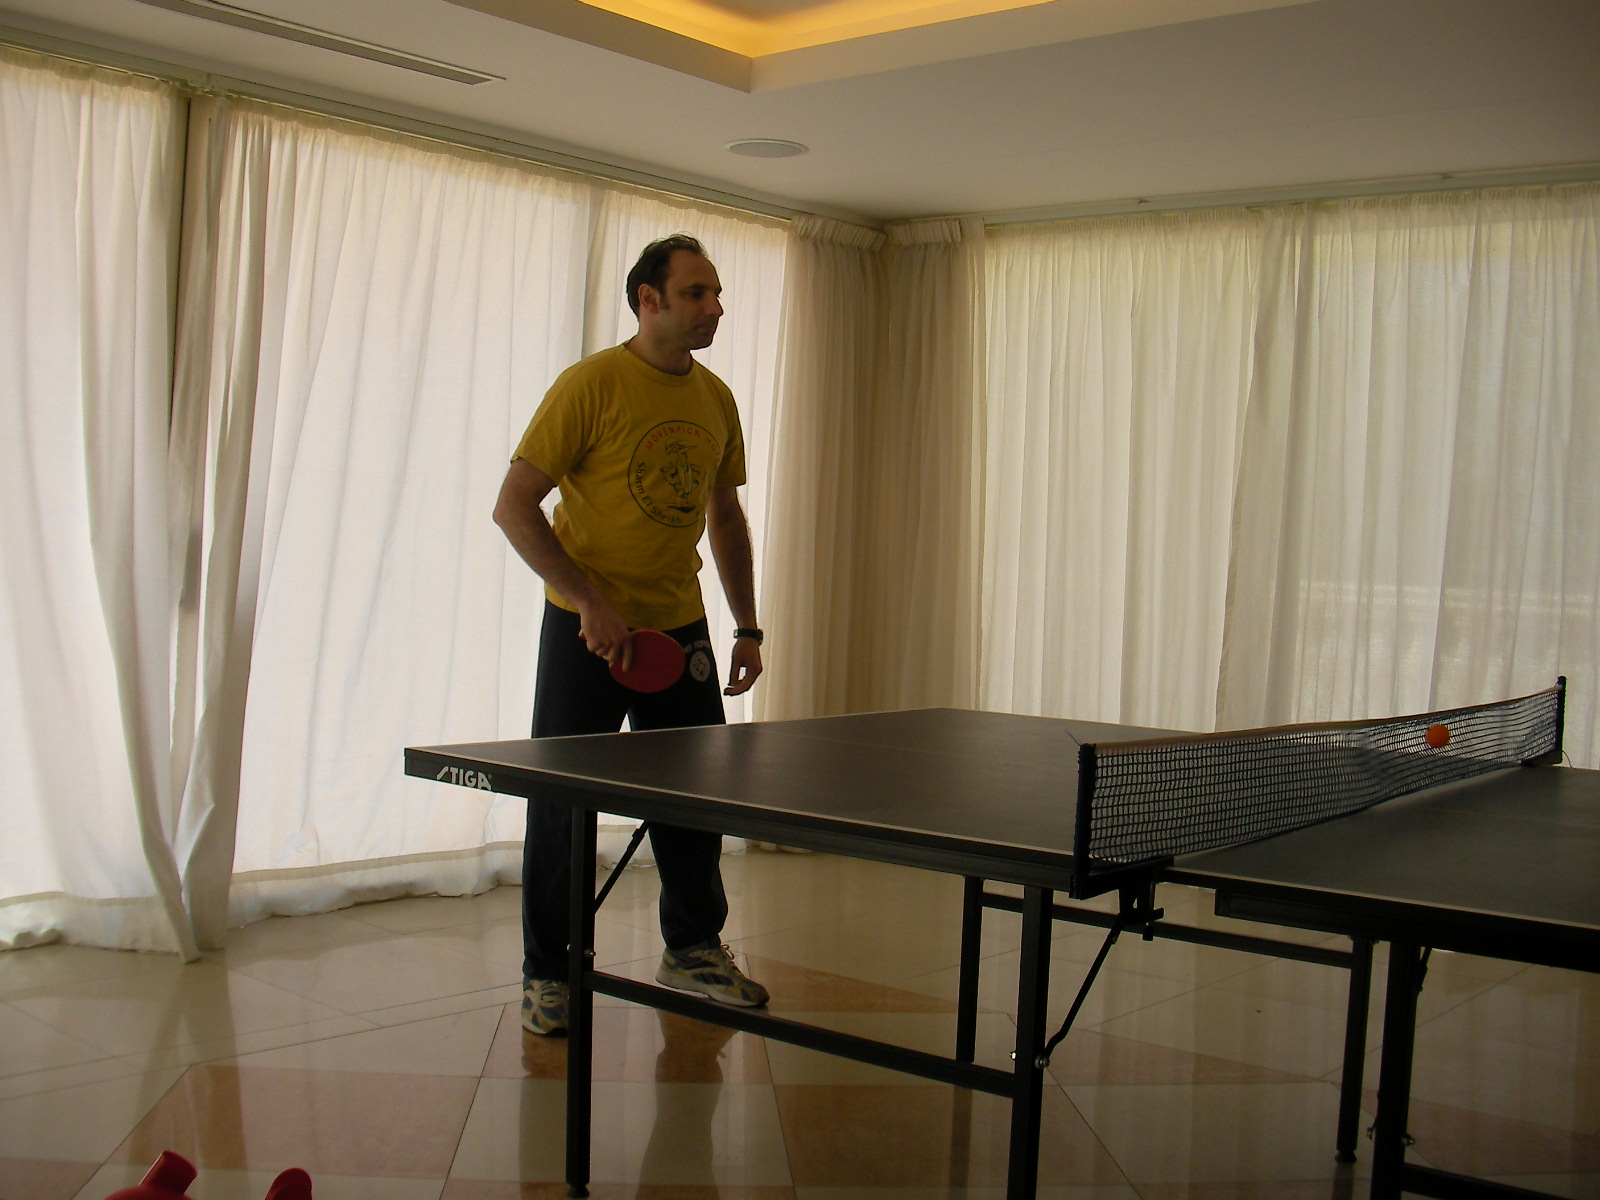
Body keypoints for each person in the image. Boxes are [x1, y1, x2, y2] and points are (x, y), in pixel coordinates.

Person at [493, 234, 769, 1036]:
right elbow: (514, 506)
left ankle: (692, 948)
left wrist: (746, 625)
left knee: (694, 797)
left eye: (716, 293)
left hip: (679, 625)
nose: (714, 308)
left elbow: (725, 516)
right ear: (648, 300)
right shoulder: (591, 385)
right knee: (561, 804)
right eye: (696, 294)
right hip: (586, 630)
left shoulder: (716, 399)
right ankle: (548, 973)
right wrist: (588, 602)